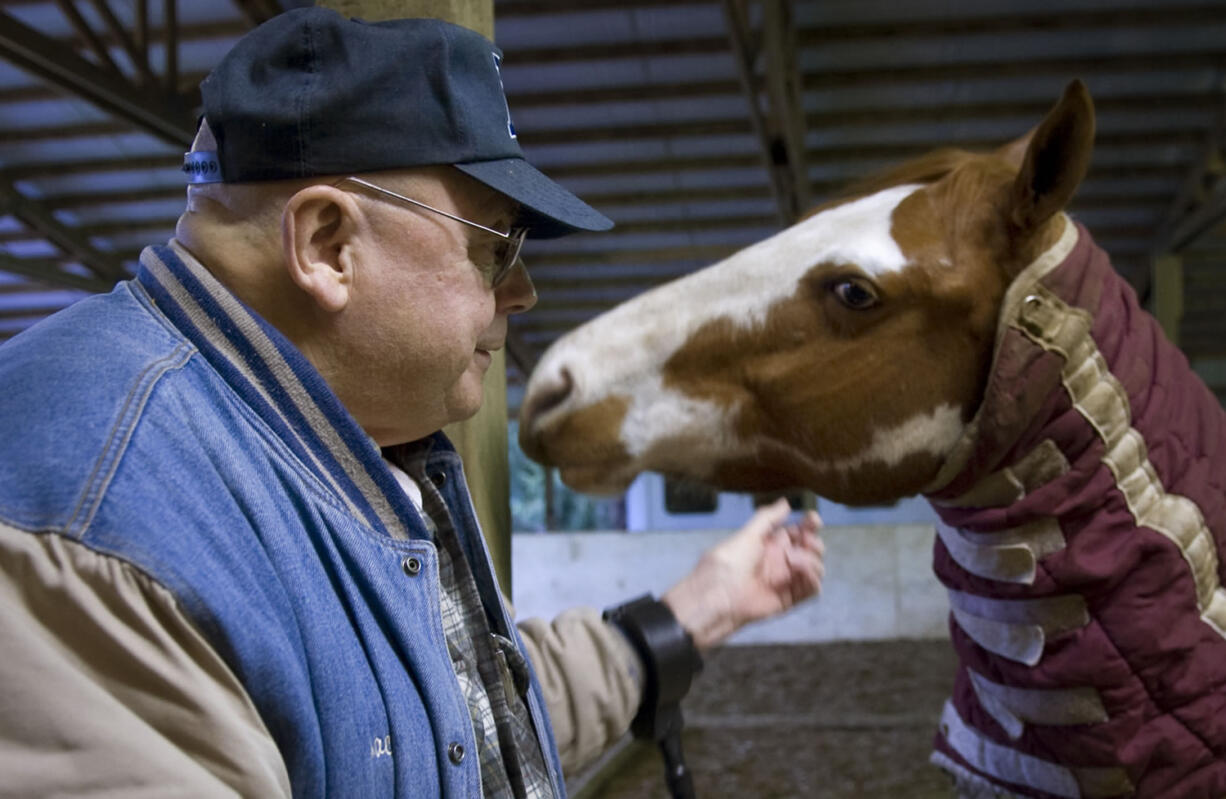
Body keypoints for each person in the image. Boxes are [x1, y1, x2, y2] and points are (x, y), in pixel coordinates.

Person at [0, 8, 824, 797]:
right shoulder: (95, 529)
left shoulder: (330, 438)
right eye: (495, 247)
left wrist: (698, 608)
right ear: (328, 245)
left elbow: (441, 724)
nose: (525, 292)